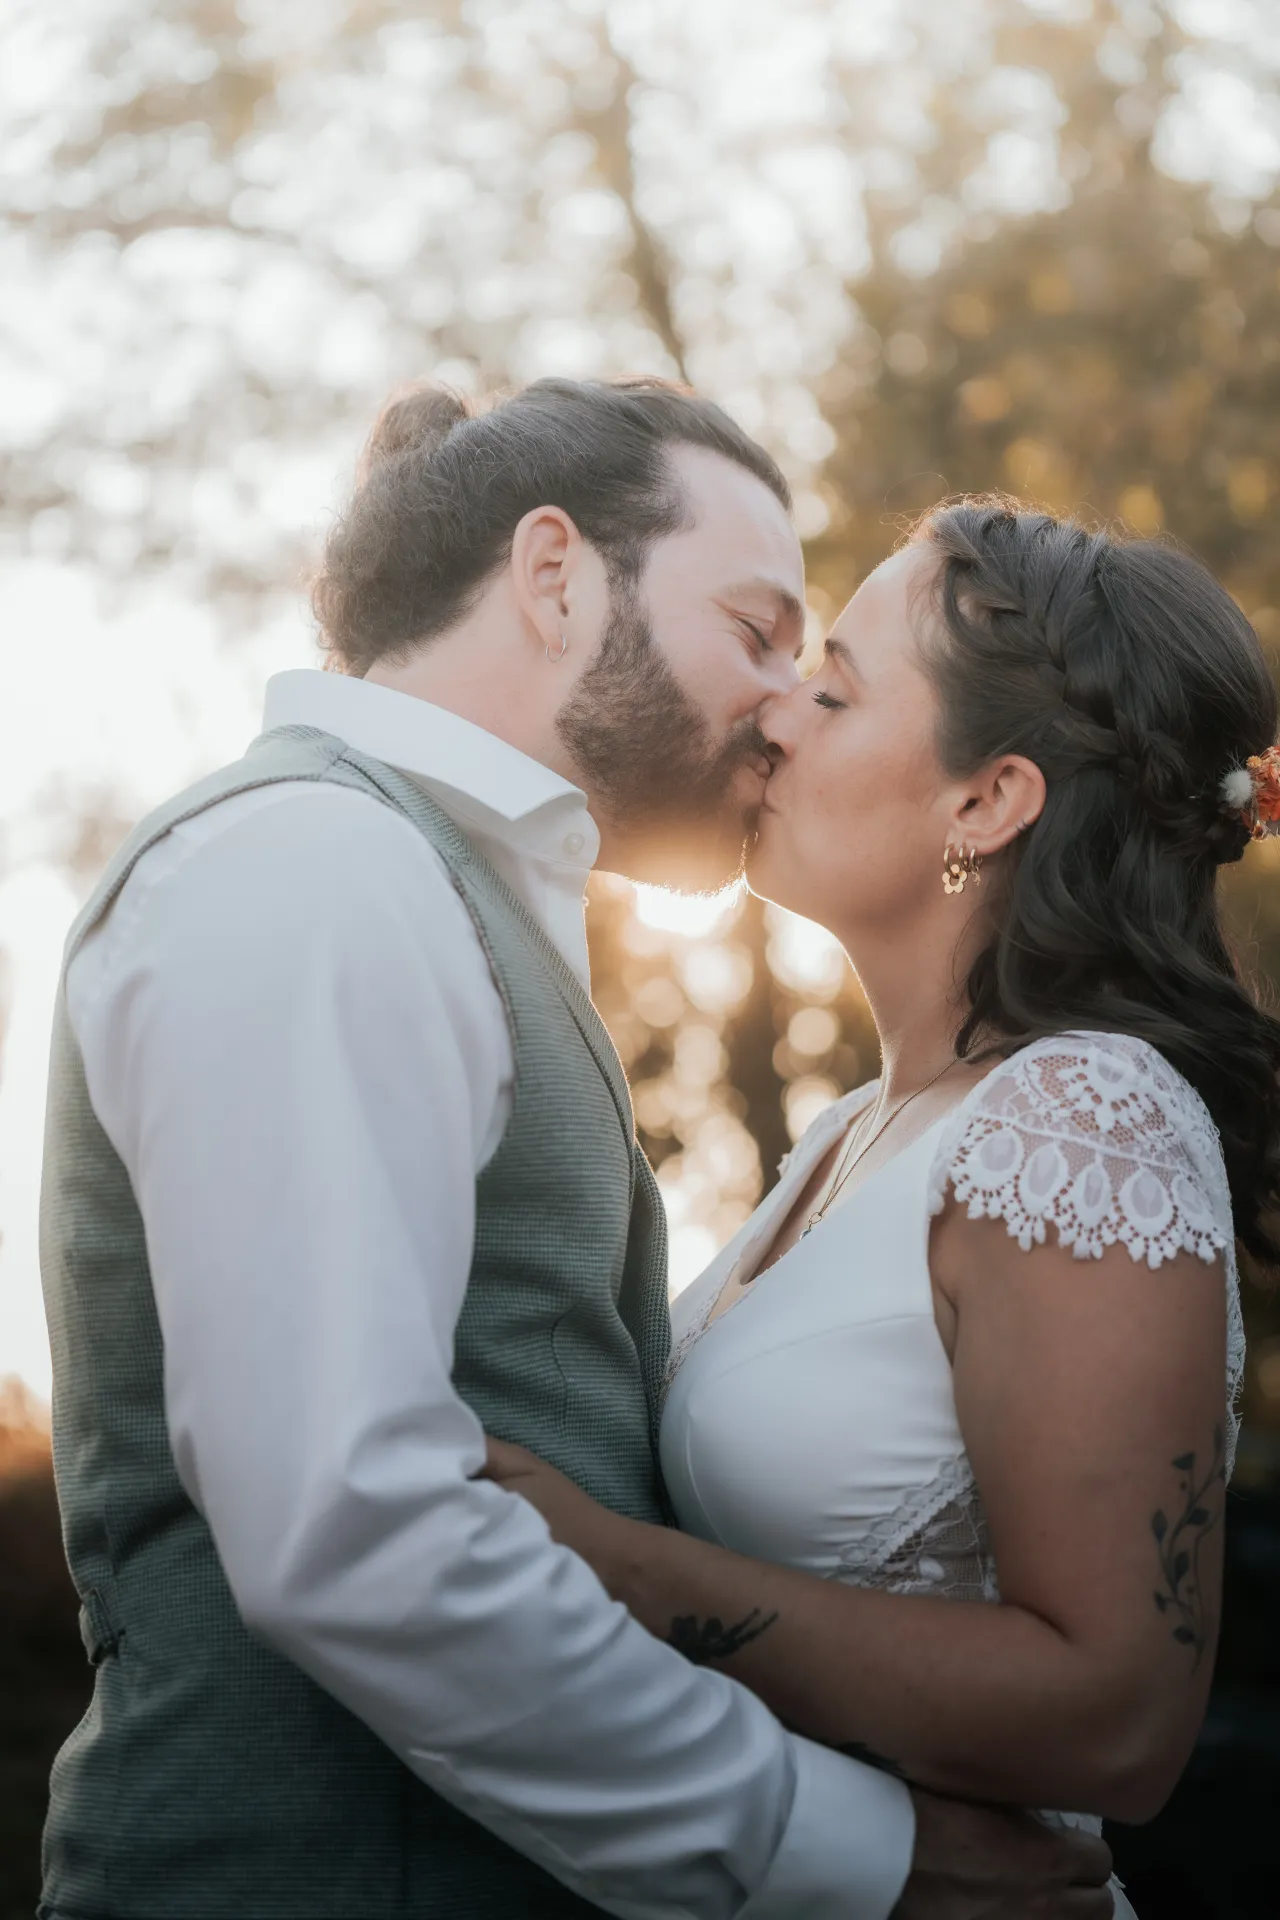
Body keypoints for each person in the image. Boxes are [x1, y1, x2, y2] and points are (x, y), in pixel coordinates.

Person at [37, 382, 1111, 1920]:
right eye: (754, 629)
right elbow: (353, 1524)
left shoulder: (423, 886)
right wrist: (855, 1852)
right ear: (557, 577)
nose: (778, 704)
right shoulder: (316, 868)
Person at [485, 497, 1280, 1920]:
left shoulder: (1087, 1120)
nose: (774, 717)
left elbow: (1120, 1720)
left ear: (987, 801)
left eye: (835, 689)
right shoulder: (855, 1133)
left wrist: (611, 1566)